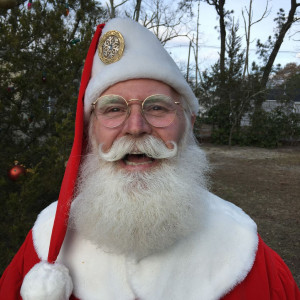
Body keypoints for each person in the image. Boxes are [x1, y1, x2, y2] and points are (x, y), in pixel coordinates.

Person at [0, 18, 299, 300]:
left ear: (188, 123)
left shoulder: (249, 256)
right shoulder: (41, 249)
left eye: (157, 107)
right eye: (113, 109)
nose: (135, 126)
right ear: (91, 132)